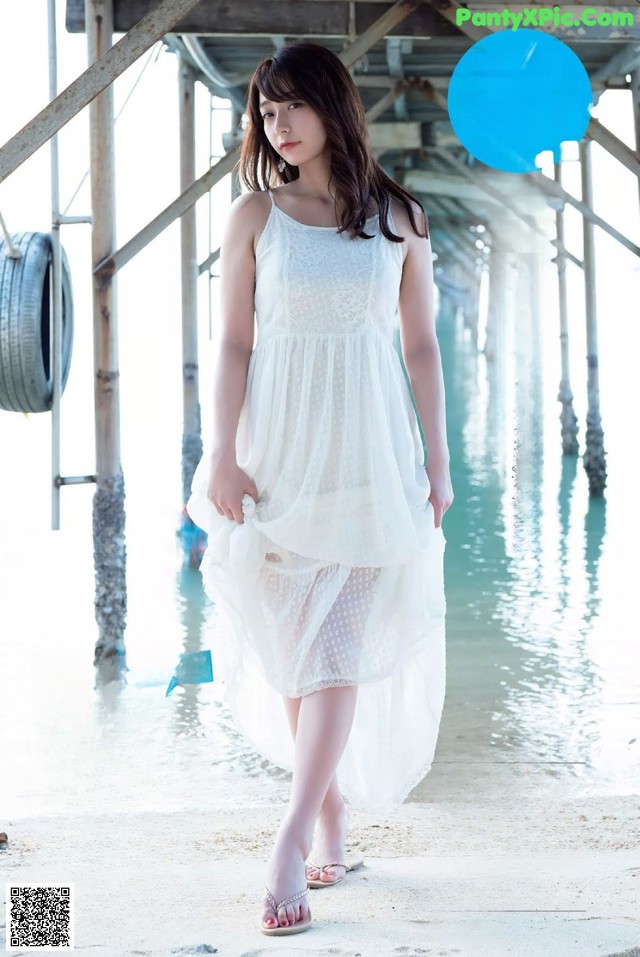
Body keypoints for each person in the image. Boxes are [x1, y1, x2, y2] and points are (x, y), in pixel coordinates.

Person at [186, 39, 454, 937]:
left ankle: (291, 835)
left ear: (333, 106)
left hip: (369, 458)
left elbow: (420, 348)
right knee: (297, 643)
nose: (278, 123)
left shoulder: (401, 219)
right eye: (266, 111)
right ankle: (332, 812)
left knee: (334, 646)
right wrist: (219, 451)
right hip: (277, 455)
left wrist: (439, 461)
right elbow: (232, 344)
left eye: (292, 105)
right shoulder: (254, 218)